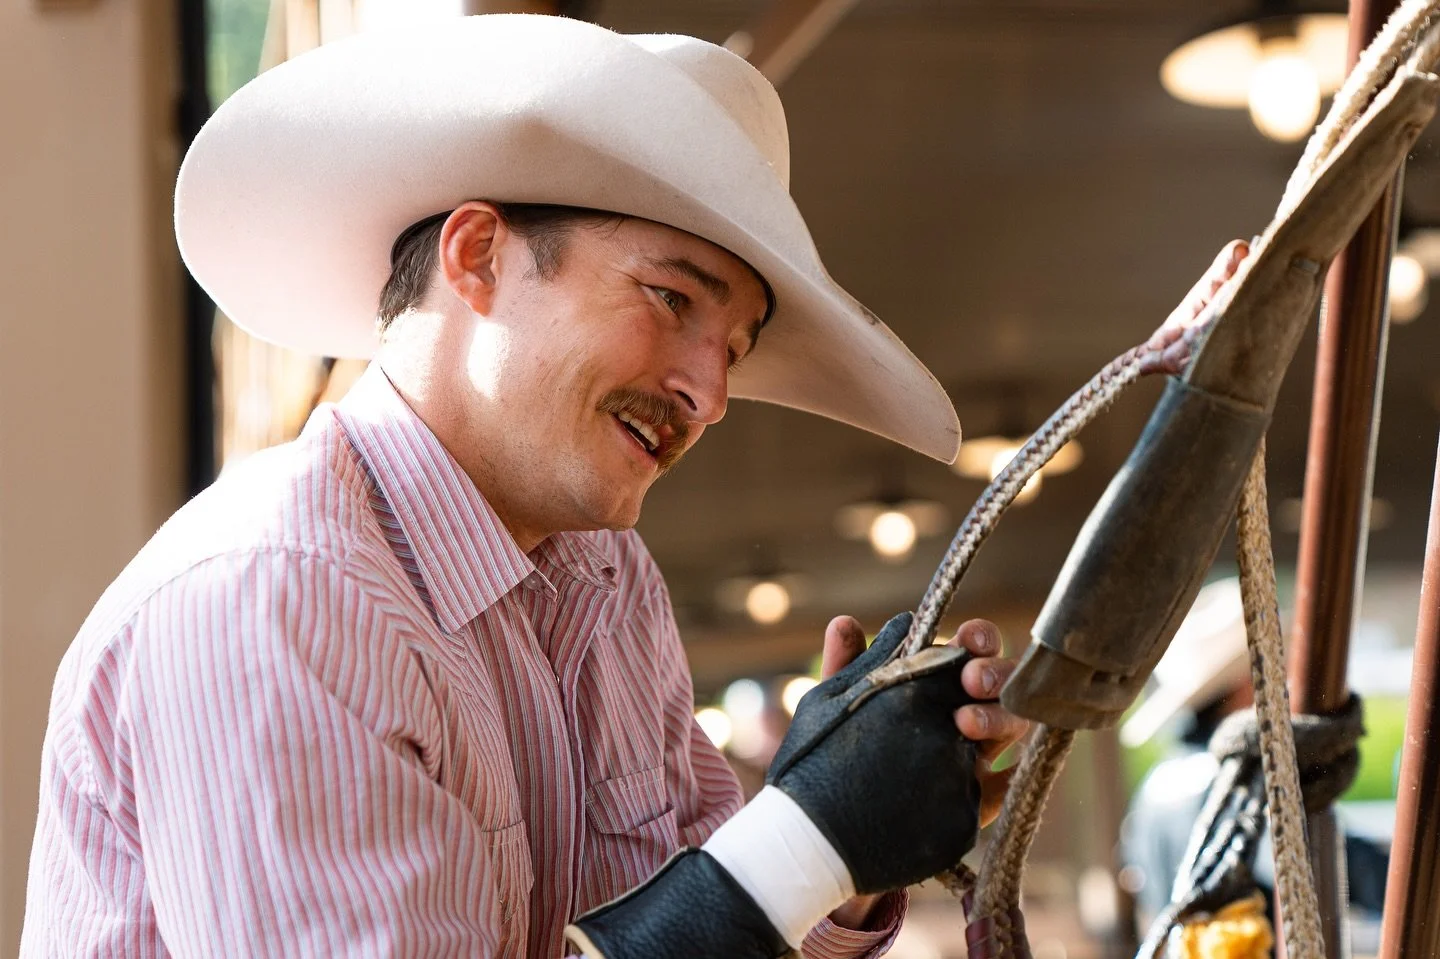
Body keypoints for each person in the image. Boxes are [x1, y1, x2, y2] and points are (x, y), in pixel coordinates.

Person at [21, 16, 1034, 959]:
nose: (711, 389)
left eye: (732, 346)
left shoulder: (606, 578)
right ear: (476, 256)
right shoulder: (276, 595)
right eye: (670, 296)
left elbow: (706, 910)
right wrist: (807, 831)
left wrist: (847, 846)